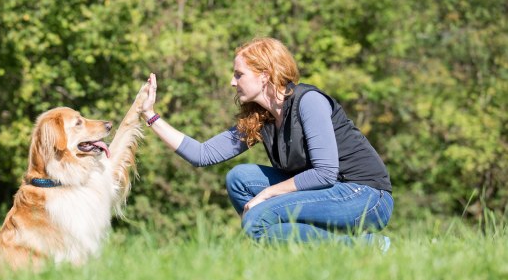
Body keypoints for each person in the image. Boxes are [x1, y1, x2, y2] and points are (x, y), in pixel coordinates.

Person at [140, 37, 393, 250]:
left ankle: (370, 246)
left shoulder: (309, 101)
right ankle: (293, 249)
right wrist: (151, 116)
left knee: (257, 220)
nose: (232, 82)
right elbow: (203, 154)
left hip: (365, 196)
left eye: (239, 75)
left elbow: (325, 173)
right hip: (327, 193)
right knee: (239, 179)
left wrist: (268, 194)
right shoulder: (261, 117)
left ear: (264, 76)